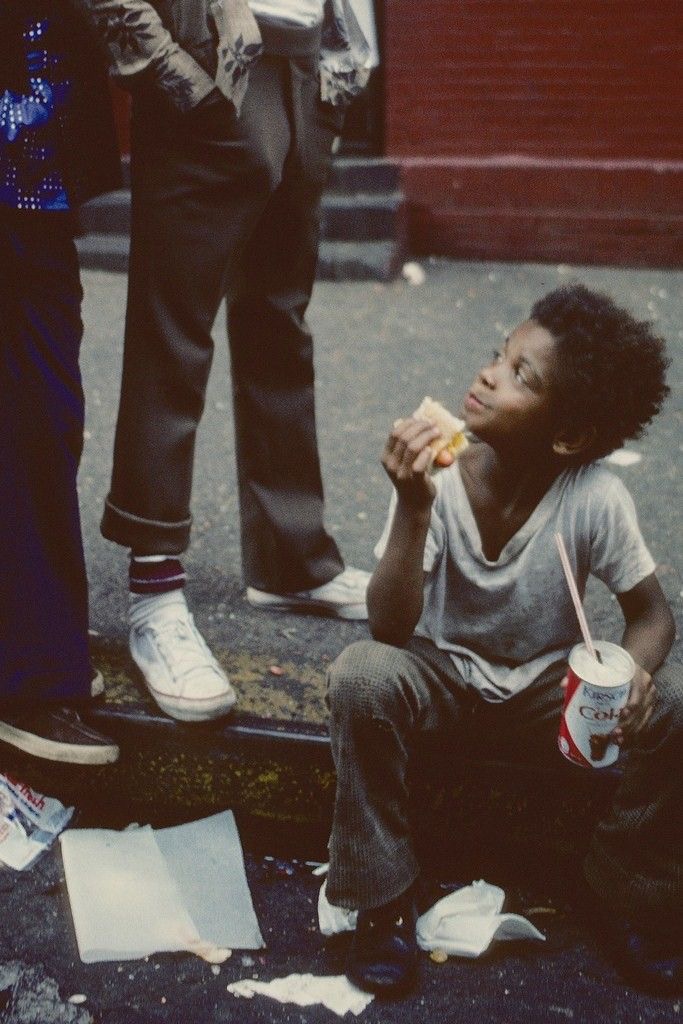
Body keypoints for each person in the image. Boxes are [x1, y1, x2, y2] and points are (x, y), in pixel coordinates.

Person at [324, 284, 682, 997]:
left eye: (521, 375)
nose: (488, 373)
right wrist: (412, 506)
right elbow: (390, 629)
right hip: (443, 675)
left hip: (548, 696)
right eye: (498, 356)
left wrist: (636, 675)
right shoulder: (442, 478)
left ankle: (622, 889)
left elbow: (651, 616)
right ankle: (380, 898)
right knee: (360, 676)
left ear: (567, 437)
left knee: (672, 706)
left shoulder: (592, 497)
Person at [76, 0, 373, 724]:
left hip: (303, 64)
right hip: (208, 54)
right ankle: (155, 592)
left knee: (280, 321)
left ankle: (290, 558)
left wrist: (338, 61)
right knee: (173, 331)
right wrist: (167, 65)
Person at [0, 2, 122, 764]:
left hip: (37, 187)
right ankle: (30, 675)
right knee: (30, 420)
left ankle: (38, 647)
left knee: (47, 418)